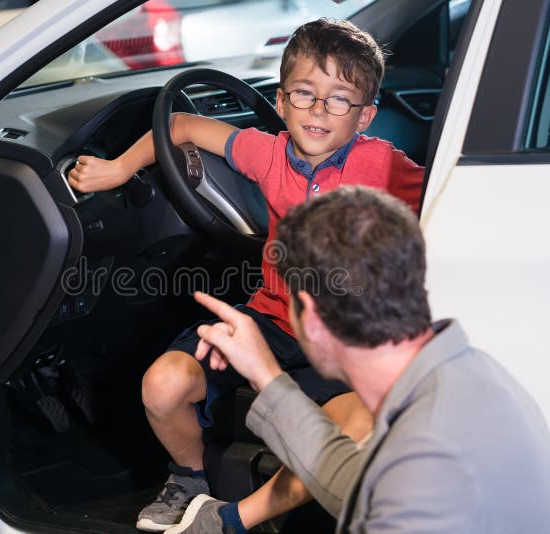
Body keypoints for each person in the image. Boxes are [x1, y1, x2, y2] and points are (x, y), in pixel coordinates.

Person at [68, 19, 423, 533]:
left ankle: (234, 519)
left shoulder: (382, 166)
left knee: (355, 433)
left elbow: (447, 202)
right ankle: (190, 483)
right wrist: (119, 169)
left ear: (366, 115)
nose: (319, 110)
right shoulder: (269, 152)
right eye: (304, 93)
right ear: (280, 102)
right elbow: (183, 126)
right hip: (268, 323)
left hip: (347, 341)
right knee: (163, 385)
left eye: (339, 99)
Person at [169, 186, 550, 533]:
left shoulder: (424, 468)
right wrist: (265, 372)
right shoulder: (467, 372)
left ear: (309, 316)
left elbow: (394, 494)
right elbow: (362, 485)